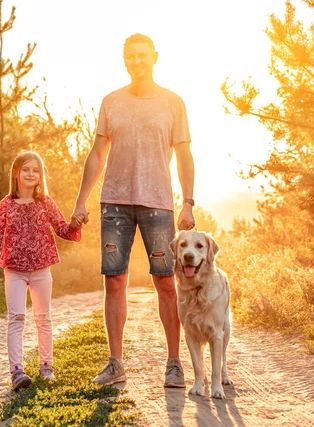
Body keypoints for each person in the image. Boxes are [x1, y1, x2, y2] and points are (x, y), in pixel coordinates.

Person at [71, 33, 196, 387]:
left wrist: (187, 201)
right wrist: (82, 199)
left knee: (166, 283)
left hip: (158, 202)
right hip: (115, 203)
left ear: (154, 56)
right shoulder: (112, 102)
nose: (137, 61)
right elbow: (97, 154)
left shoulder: (173, 103)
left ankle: (174, 363)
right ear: (124, 59)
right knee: (115, 281)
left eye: (143, 56)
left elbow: (185, 155)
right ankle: (116, 363)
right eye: (131, 57)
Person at [0, 151, 82, 391]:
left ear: (41, 175)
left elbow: (63, 229)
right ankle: (16, 371)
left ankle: (46, 365)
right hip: (14, 270)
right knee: (16, 318)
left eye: (35, 170)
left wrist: (76, 224)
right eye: (26, 170)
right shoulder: (6, 205)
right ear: (16, 174)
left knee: (43, 318)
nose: (31, 174)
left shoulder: (46, 202)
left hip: (41, 269)